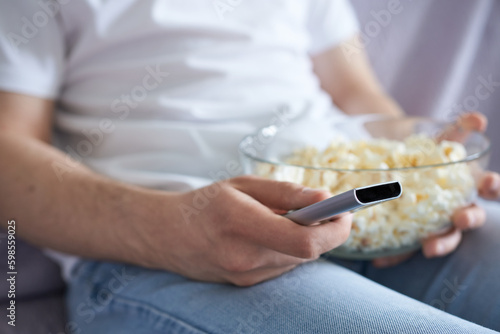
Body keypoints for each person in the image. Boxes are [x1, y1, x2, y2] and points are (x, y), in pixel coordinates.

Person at [0, 1, 499, 333]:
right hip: (154, 255)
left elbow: (356, 94)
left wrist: (425, 173)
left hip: (354, 219)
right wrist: (166, 231)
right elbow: (9, 150)